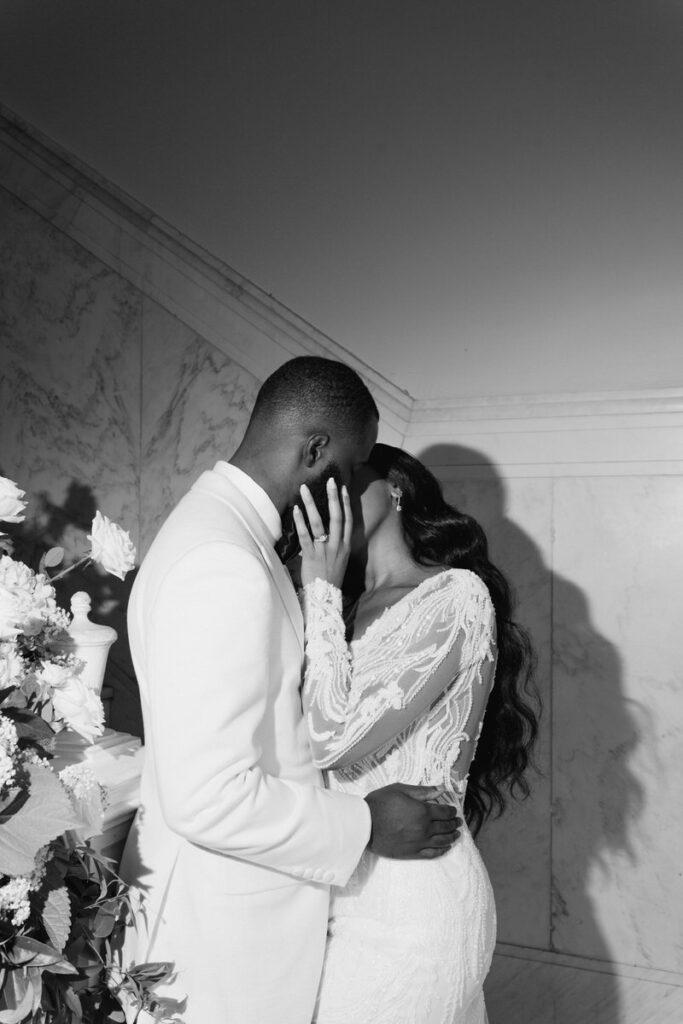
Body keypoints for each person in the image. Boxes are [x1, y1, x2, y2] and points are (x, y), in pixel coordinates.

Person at [118, 359, 461, 1024]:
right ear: (313, 450)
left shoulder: (220, 530)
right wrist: (365, 823)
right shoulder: (222, 562)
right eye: (352, 464)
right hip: (219, 940)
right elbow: (207, 797)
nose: (353, 484)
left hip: (226, 913)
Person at [293, 442, 538, 1024]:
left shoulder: (455, 595)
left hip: (416, 904)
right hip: (337, 889)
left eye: (345, 478)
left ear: (395, 486)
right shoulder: (337, 610)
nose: (330, 497)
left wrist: (320, 592)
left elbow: (331, 739)